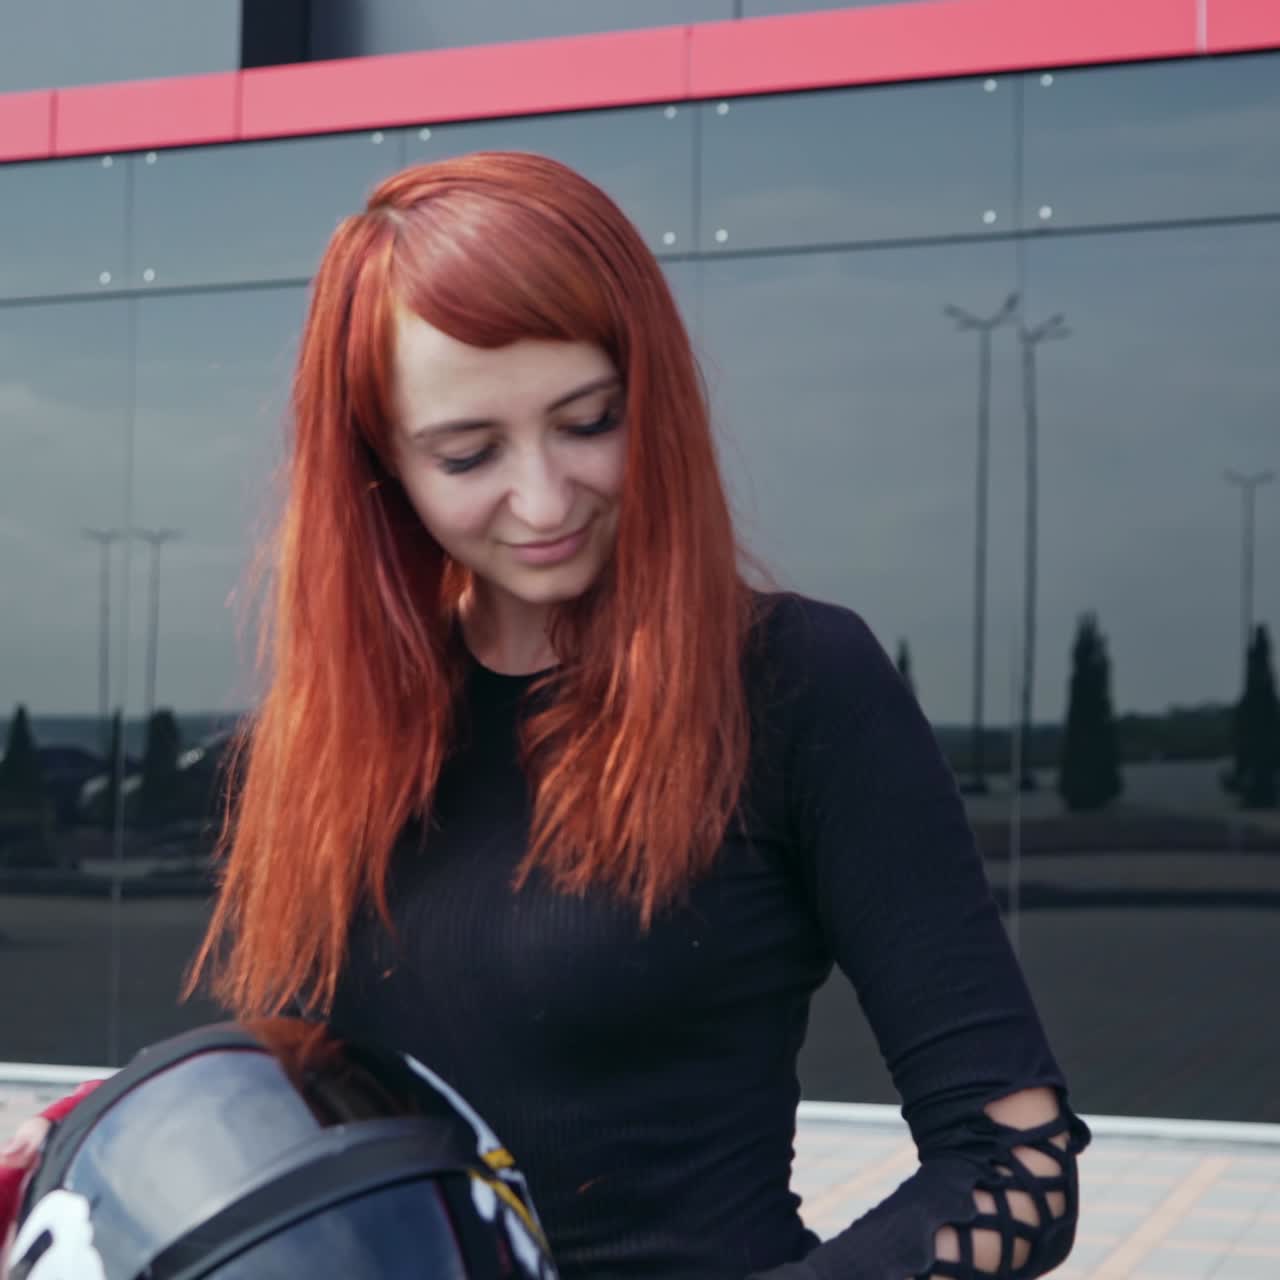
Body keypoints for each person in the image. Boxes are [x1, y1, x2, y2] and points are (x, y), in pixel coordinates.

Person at [3, 151, 1088, 1279]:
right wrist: (96, 1144)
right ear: (382, 463)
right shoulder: (330, 730)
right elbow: (285, 1095)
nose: (542, 498)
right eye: (467, 452)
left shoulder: (797, 680)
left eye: (588, 420)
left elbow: (1012, 1165)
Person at [2, 1017, 557, 1279]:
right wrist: (97, 1121)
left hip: (433, 1209)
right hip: (379, 1196)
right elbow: (275, 1043)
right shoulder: (331, 814)